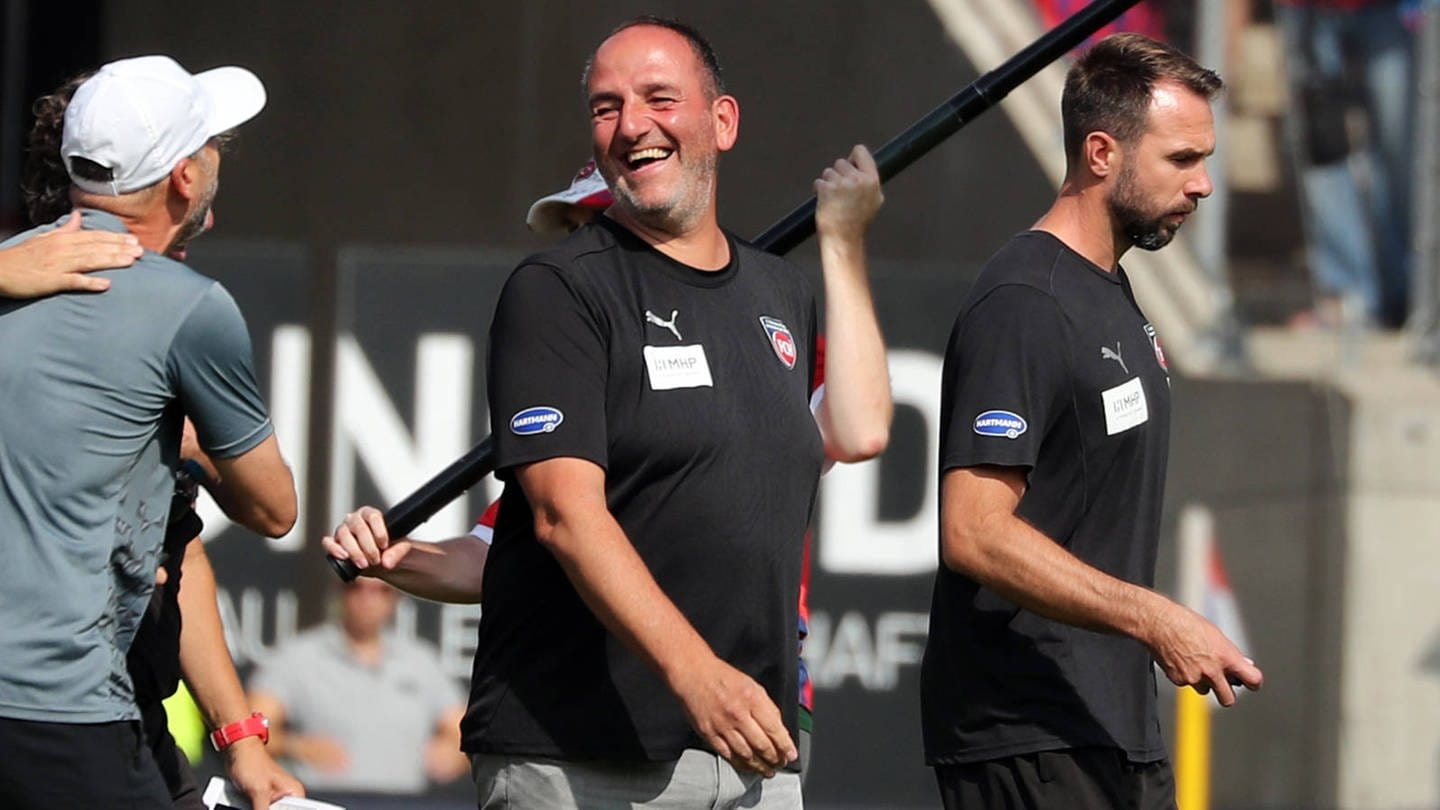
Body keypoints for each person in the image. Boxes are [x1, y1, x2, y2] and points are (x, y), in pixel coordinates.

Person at [326, 15, 890, 808]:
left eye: (659, 98)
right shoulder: (558, 291)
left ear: (722, 121)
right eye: (605, 107)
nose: (631, 126)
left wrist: (842, 245)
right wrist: (404, 560)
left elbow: (860, 428)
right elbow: (554, 525)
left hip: (753, 752)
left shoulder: (779, 294)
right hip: (582, 758)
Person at [922, 33, 1264, 810]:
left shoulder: (1108, 289)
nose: (1204, 185)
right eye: (1182, 160)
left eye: (1205, 160)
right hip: (1027, 733)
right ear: (1102, 153)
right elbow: (974, 529)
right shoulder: (1024, 301)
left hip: (1110, 724)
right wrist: (1154, 618)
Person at [0, 55, 297, 808]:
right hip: (64, 712)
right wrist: (194, 445)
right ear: (184, 179)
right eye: (211, 144)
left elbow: (175, 542)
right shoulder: (191, 308)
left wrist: (240, 740)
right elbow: (273, 509)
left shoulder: (9, 269)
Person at [247, 576, 469, 795]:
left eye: (381, 590)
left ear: (397, 597)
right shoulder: (297, 657)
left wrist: (454, 753)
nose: (367, 598)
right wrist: (296, 746)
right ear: (340, 591)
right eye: (356, 587)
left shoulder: (421, 662)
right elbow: (249, 730)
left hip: (402, 804)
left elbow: (465, 733)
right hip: (323, 801)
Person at [1275, 0, 1415, 329]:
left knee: (1402, 154)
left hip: (1392, 11)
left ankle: (1409, 292)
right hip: (1307, 12)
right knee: (1323, 152)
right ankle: (1349, 296)